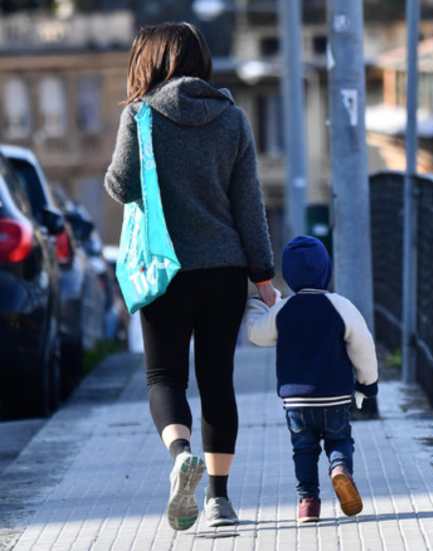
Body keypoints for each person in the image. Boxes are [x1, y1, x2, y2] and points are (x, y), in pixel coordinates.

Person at [104, 22, 277, 530]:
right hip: (224, 271)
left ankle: (181, 455)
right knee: (217, 379)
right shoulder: (232, 118)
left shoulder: (141, 115)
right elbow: (249, 205)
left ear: (151, 61)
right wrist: (263, 274)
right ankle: (220, 501)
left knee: (164, 377)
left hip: (165, 268)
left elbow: (120, 184)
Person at [245, 236, 379, 523]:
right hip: (336, 395)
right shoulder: (340, 305)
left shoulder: (284, 309)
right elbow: (363, 345)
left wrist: (259, 305)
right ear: (326, 270)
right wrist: (367, 383)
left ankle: (307, 503)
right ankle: (340, 469)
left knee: (303, 450)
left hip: (296, 401)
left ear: (288, 275)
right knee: (339, 439)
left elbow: (257, 335)